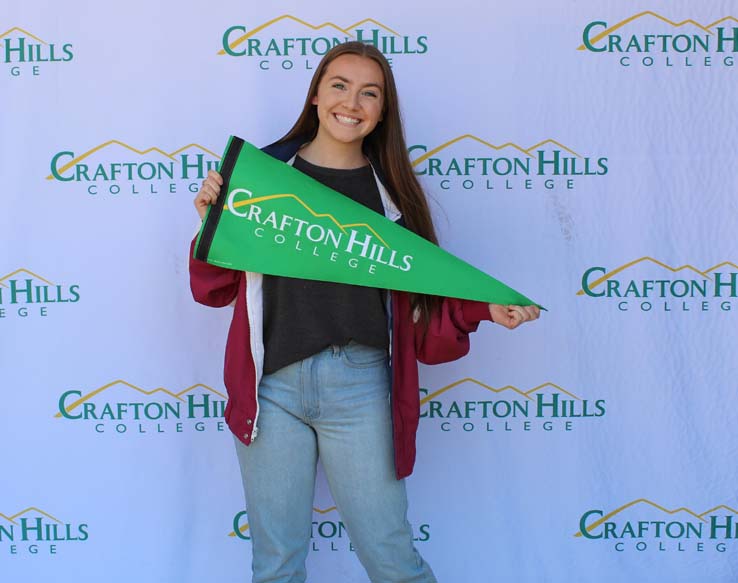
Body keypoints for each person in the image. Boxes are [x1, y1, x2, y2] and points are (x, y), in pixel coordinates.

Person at [190, 41, 540, 583]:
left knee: (391, 557)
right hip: (270, 390)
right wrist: (212, 223)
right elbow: (213, 289)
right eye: (339, 85)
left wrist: (482, 308)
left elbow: (425, 315)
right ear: (314, 95)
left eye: (369, 93)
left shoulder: (394, 201)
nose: (351, 101)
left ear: (382, 111)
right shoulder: (258, 180)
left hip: (361, 389)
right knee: (275, 563)